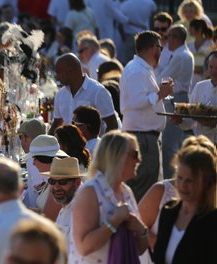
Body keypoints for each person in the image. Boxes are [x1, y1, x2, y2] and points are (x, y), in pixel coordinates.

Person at [64, 131, 149, 264]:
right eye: (134, 154)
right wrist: (113, 222)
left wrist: (141, 229)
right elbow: (83, 246)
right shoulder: (90, 192)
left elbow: (139, 248)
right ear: (117, 156)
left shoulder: (125, 192)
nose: (139, 160)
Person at [145, 144, 217, 264]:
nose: (182, 186)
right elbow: (162, 257)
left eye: (190, 181)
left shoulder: (211, 221)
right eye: (179, 178)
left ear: (206, 182)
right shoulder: (169, 211)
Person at [120, 30, 173, 201]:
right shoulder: (137, 70)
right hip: (142, 138)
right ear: (152, 48)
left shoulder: (142, 68)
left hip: (143, 137)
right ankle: (136, 225)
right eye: (160, 47)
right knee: (143, 189)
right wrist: (160, 94)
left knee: (142, 187)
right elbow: (137, 102)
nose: (161, 51)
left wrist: (160, 93)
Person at [49, 53, 118, 135]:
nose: (57, 77)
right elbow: (57, 123)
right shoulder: (60, 94)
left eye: (58, 72)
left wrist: (100, 146)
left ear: (70, 71)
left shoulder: (98, 91)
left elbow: (112, 124)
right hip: (68, 147)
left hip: (93, 147)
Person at [160, 25, 195, 179]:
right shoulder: (183, 54)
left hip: (176, 98)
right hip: (178, 97)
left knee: (169, 145)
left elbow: (164, 77)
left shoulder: (181, 56)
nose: (167, 41)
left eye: (169, 37)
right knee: (175, 143)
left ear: (176, 38)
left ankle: (171, 180)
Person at [25, 135, 68, 220]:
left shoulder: (59, 183)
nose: (33, 163)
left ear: (44, 160)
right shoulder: (52, 178)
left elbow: (48, 219)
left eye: (34, 159)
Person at [43, 157, 83, 246]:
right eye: (52, 181)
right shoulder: (67, 204)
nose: (56, 187)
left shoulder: (81, 208)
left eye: (62, 182)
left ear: (77, 182)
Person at [18, 119, 47, 209]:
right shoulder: (45, 153)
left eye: (21, 137)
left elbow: (40, 197)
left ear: (26, 138)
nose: (21, 141)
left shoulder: (34, 160)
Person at [187, 19, 214, 90]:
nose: (189, 30)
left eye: (191, 28)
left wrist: (203, 70)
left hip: (205, 78)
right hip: (191, 79)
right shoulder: (189, 44)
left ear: (199, 29)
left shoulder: (210, 44)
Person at [153, 12, 174, 78]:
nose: (159, 32)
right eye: (156, 29)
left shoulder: (175, 46)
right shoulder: (149, 46)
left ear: (170, 29)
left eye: (163, 29)